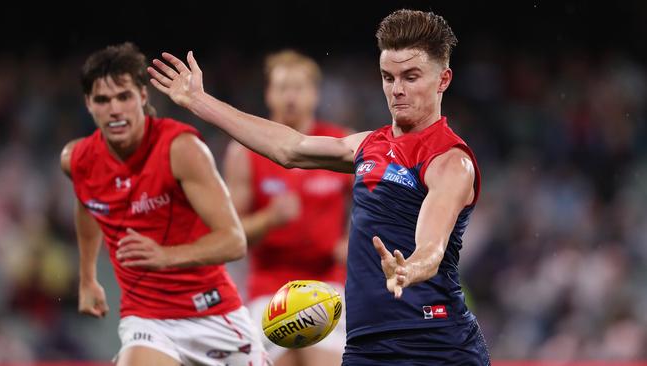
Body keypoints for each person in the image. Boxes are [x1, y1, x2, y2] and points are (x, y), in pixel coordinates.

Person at [149, 9, 491, 365]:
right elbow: (289, 148)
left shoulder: (451, 162)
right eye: (388, 77)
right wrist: (199, 101)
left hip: (436, 344)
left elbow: (432, 248)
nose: (397, 90)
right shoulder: (367, 146)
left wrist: (410, 268)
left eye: (411, 76)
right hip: (366, 345)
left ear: (443, 79)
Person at [60, 42, 268, 366]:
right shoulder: (77, 160)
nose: (115, 109)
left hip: (213, 314)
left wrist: (164, 256)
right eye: (102, 99)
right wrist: (87, 277)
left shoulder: (182, 149)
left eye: (124, 97)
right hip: (147, 321)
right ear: (89, 104)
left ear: (143, 97)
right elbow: (88, 205)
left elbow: (234, 241)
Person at [224, 50, 352, 366]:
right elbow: (229, 237)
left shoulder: (340, 145)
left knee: (321, 359)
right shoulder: (245, 151)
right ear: (269, 94)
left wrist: (355, 241)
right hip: (269, 287)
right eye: (282, 88)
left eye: (298, 88)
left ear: (315, 93)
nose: (290, 97)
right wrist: (269, 219)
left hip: (328, 282)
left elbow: (375, 207)